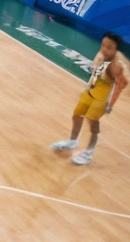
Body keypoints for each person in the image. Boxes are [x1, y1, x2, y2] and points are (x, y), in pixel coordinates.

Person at [51, 32, 128, 166]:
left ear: (115, 50)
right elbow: (95, 75)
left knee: (93, 125)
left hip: (101, 100)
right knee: (76, 116)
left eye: (109, 47)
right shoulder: (101, 56)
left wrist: (110, 104)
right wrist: (87, 87)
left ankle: (88, 153)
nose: (104, 49)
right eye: (103, 45)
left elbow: (122, 84)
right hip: (90, 93)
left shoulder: (116, 66)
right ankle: (72, 141)